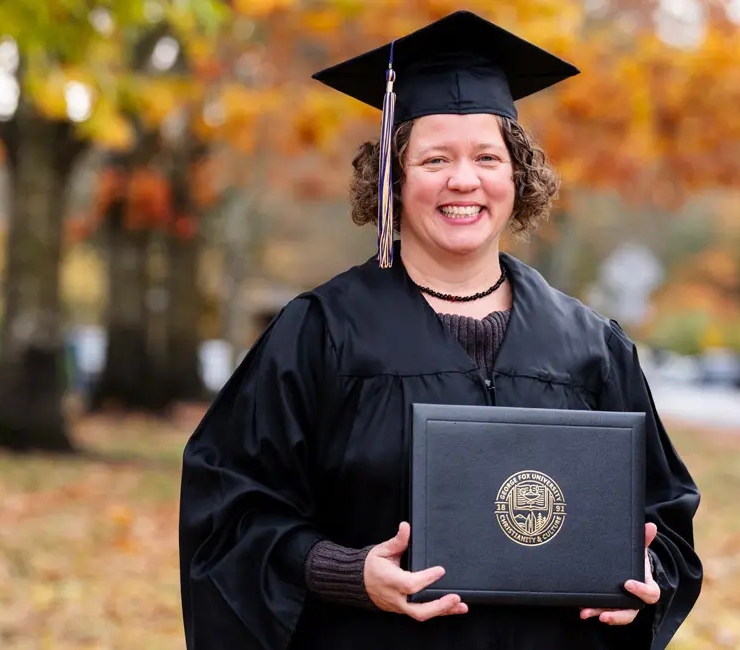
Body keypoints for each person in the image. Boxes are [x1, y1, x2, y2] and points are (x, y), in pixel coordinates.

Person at [178, 10, 702, 650]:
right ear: (393, 179)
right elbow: (228, 512)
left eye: (487, 157)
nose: (464, 180)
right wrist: (345, 571)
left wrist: (644, 573)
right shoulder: (322, 333)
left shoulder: (590, 346)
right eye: (434, 159)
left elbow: (663, 519)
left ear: (517, 177)